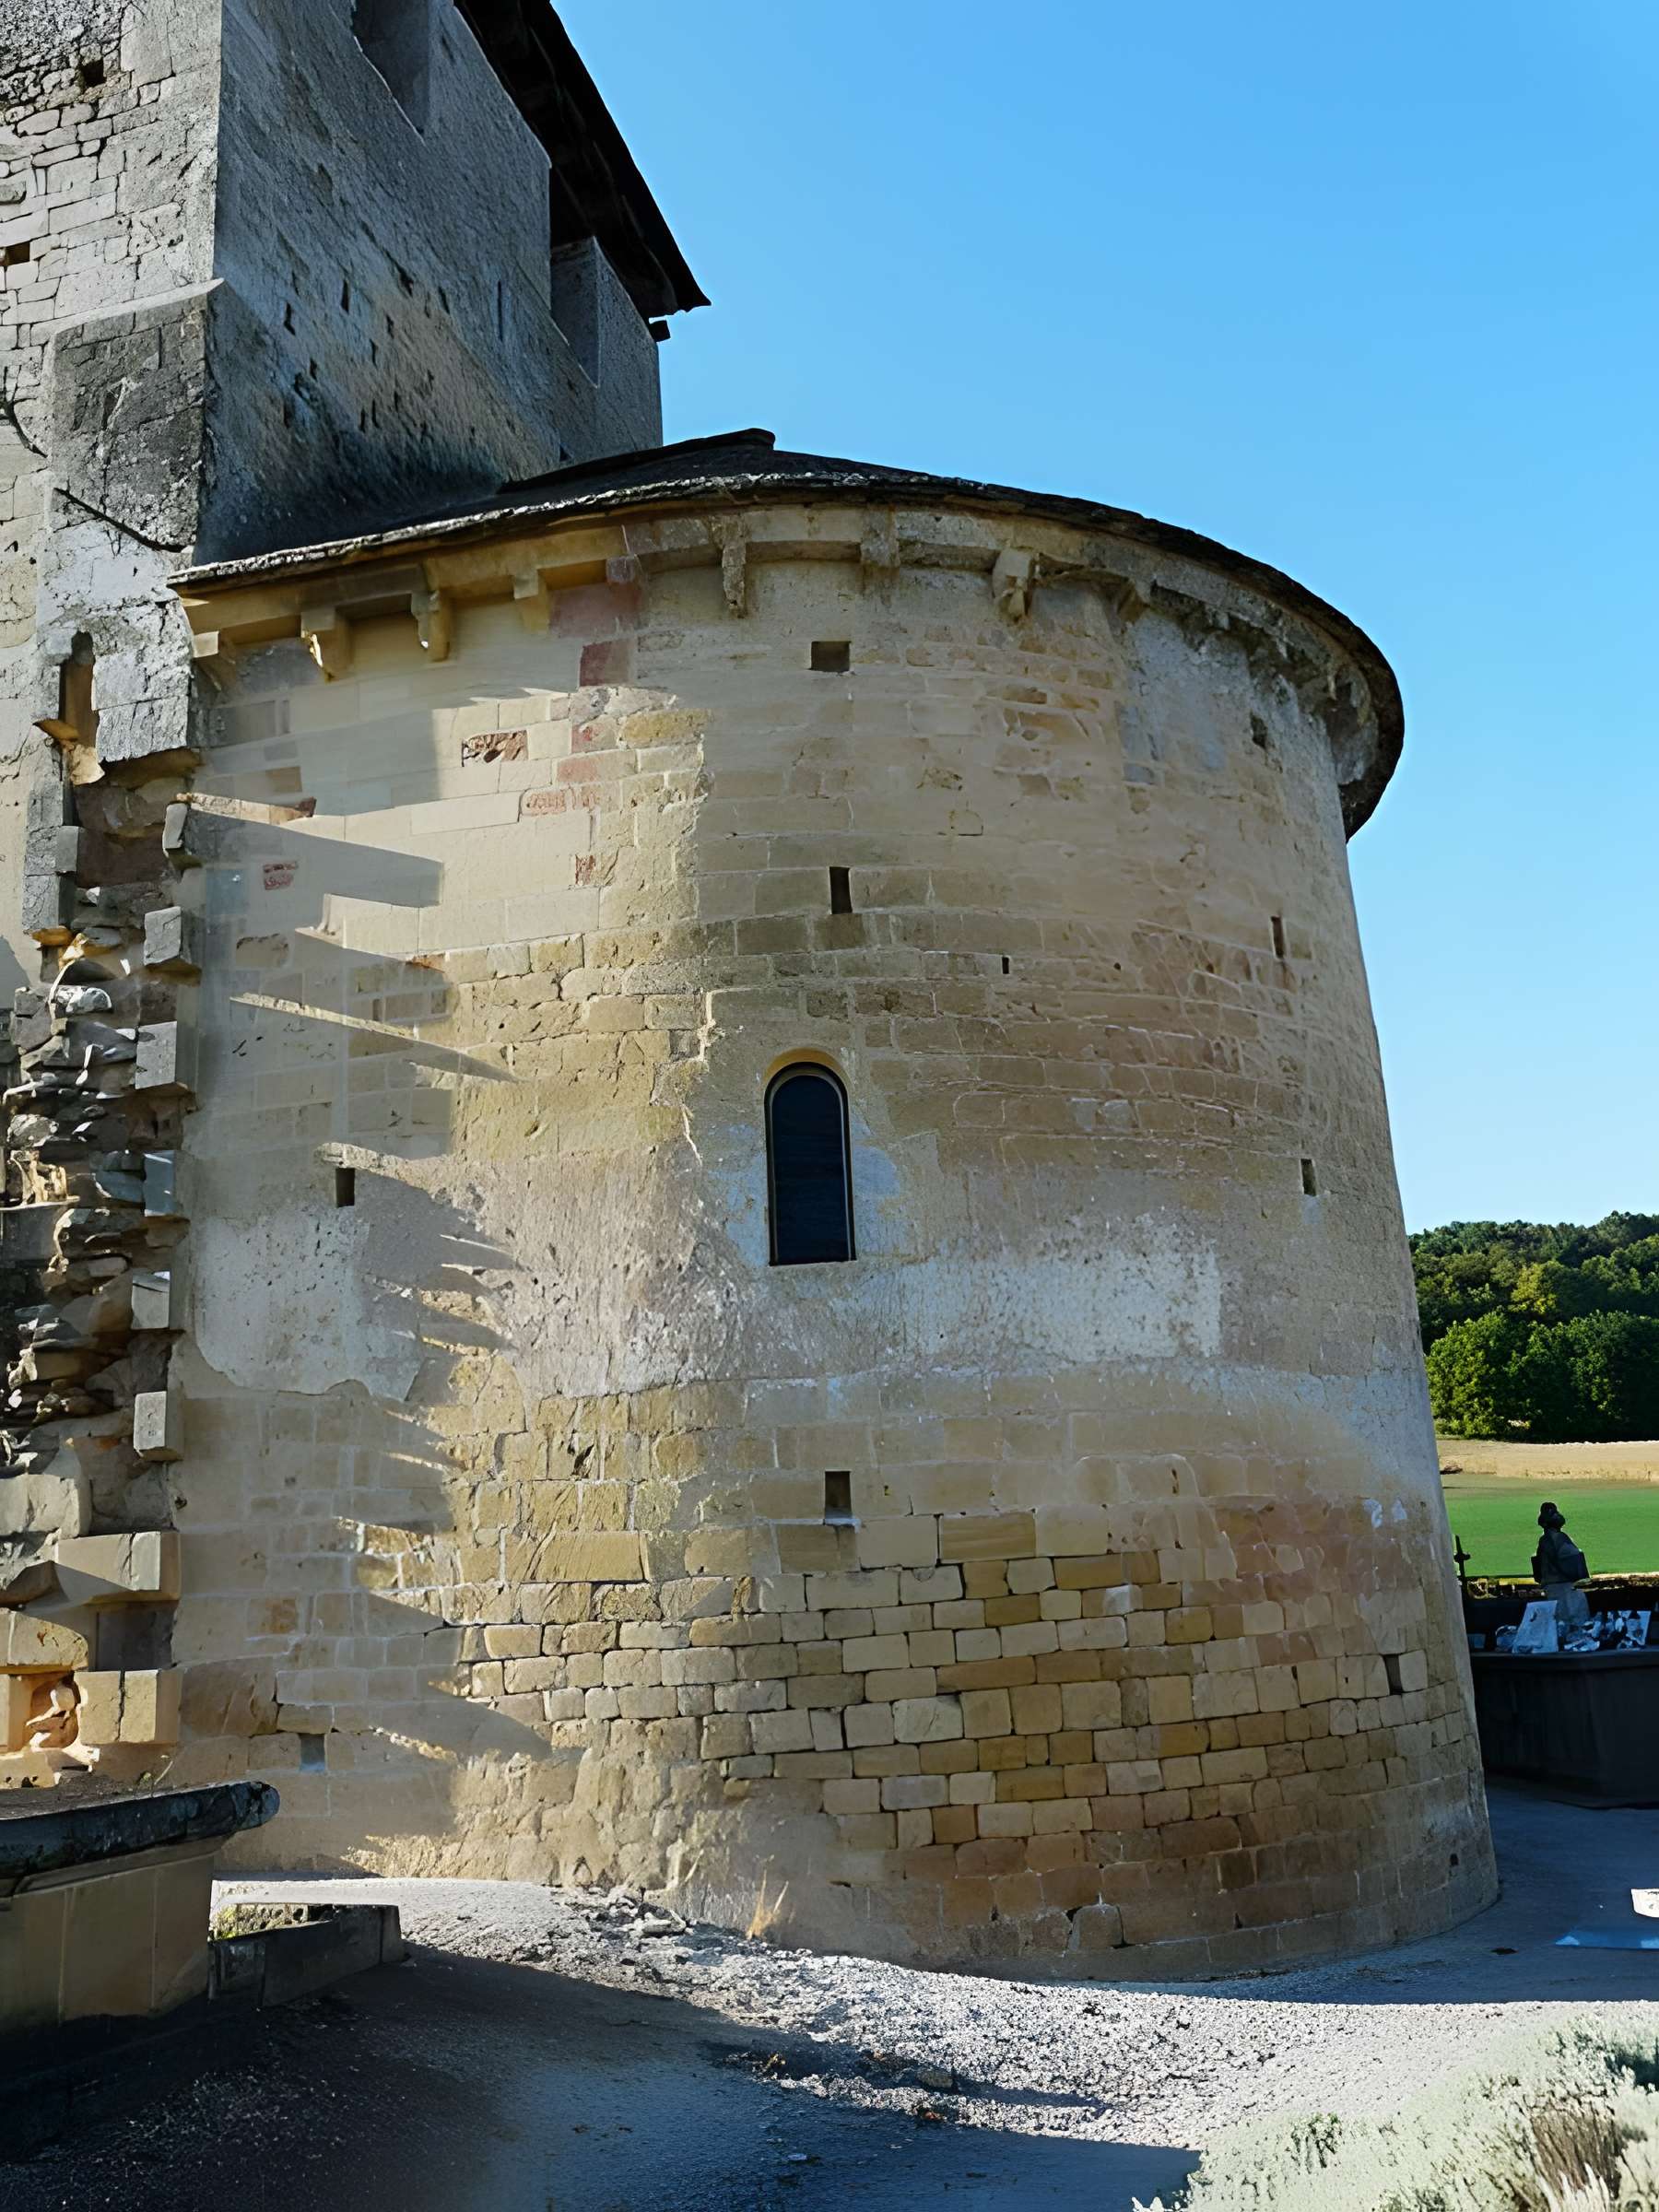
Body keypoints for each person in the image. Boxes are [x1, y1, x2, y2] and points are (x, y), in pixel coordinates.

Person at [1532, 1501, 1590, 1628]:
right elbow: (1571, 1562)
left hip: (1552, 1587)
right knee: (1571, 1623)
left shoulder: (1546, 1540)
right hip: (1562, 1587)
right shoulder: (1557, 1539)